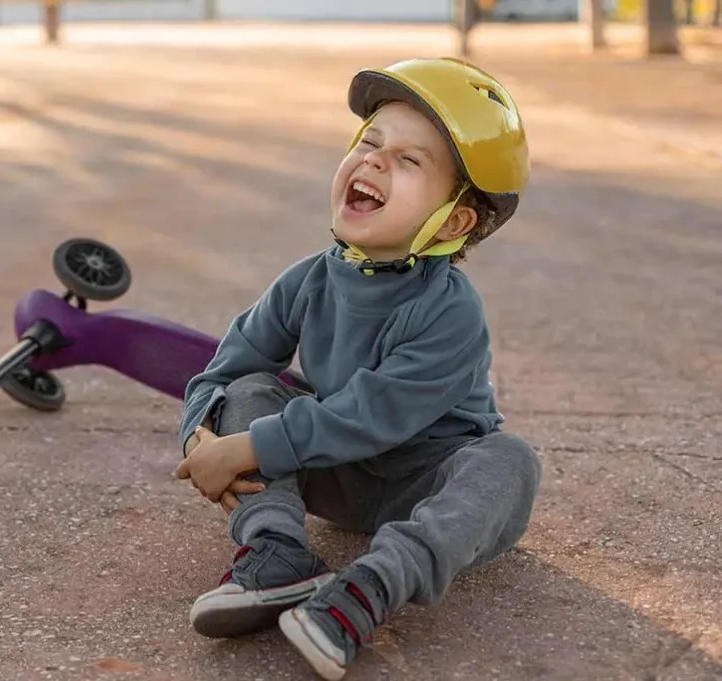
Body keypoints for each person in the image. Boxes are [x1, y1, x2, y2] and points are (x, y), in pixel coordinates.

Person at [174, 57, 541, 681]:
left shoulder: (451, 312)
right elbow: (224, 368)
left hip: (427, 480)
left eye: (409, 160)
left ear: (452, 222)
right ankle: (276, 553)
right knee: (250, 388)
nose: (373, 161)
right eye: (370, 143)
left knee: (510, 462)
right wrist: (202, 435)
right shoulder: (306, 280)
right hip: (334, 476)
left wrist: (249, 446)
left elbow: (370, 414)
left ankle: (367, 591)